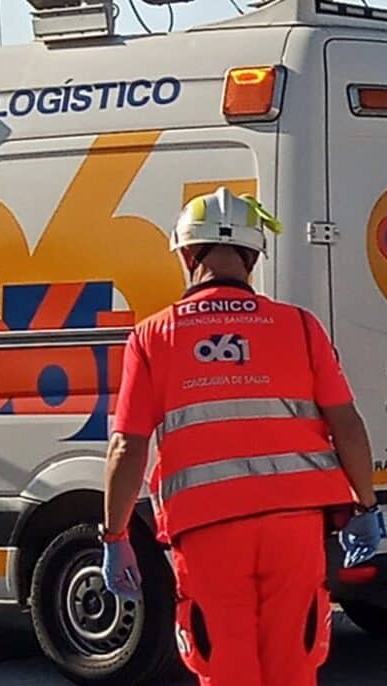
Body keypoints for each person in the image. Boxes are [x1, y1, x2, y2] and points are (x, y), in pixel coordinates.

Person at [101, 188, 381, 686]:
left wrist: (116, 537)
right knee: (293, 665)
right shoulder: (299, 326)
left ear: (188, 254)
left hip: (207, 529)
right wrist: (364, 507)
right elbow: (348, 426)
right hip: (294, 528)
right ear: (253, 256)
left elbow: (128, 446)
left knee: (225, 666)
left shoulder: (152, 336)